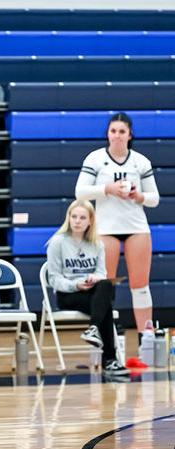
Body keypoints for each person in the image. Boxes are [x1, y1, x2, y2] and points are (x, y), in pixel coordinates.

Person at [75, 112, 160, 335]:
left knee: (140, 286)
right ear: (108, 134)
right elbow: (80, 193)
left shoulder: (140, 161)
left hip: (136, 227)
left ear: (130, 135)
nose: (117, 136)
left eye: (122, 131)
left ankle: (147, 339)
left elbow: (155, 199)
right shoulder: (95, 159)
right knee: (105, 286)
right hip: (106, 229)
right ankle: (108, 338)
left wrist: (138, 196)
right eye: (113, 131)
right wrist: (108, 189)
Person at [46, 200, 129, 377]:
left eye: (82, 217)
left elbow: (102, 273)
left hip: (91, 293)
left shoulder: (97, 244)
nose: (77, 221)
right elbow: (54, 279)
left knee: (106, 285)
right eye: (73, 216)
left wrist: (94, 278)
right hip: (68, 294)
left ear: (90, 220)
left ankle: (93, 329)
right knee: (105, 305)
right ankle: (110, 360)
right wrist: (76, 284)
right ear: (68, 218)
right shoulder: (57, 242)